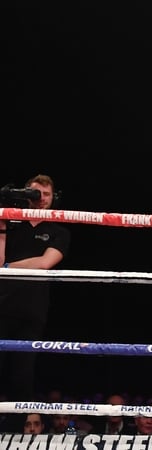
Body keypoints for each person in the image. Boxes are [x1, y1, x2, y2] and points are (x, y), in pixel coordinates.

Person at [0, 174, 70, 431]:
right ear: (25, 193)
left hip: (32, 310)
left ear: (54, 198)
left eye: (46, 194)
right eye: (35, 193)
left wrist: (9, 266)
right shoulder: (10, 221)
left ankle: (17, 429)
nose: (40, 199)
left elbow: (44, 263)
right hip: (2, 303)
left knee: (22, 373)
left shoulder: (59, 230)